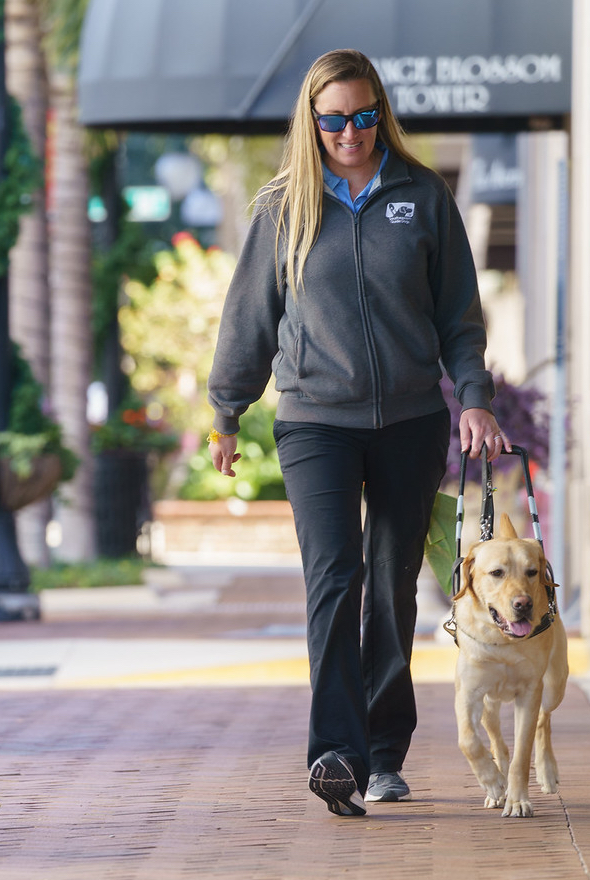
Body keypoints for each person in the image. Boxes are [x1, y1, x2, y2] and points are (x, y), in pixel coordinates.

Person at [206, 48, 507, 817]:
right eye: (333, 119)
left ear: (381, 113)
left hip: (410, 417)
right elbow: (250, 316)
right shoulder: (282, 207)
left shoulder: (422, 195)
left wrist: (473, 396)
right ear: (312, 121)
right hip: (314, 421)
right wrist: (226, 411)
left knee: (392, 583)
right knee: (333, 579)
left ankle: (382, 754)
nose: (349, 132)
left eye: (362, 116)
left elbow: (457, 318)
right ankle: (335, 752)